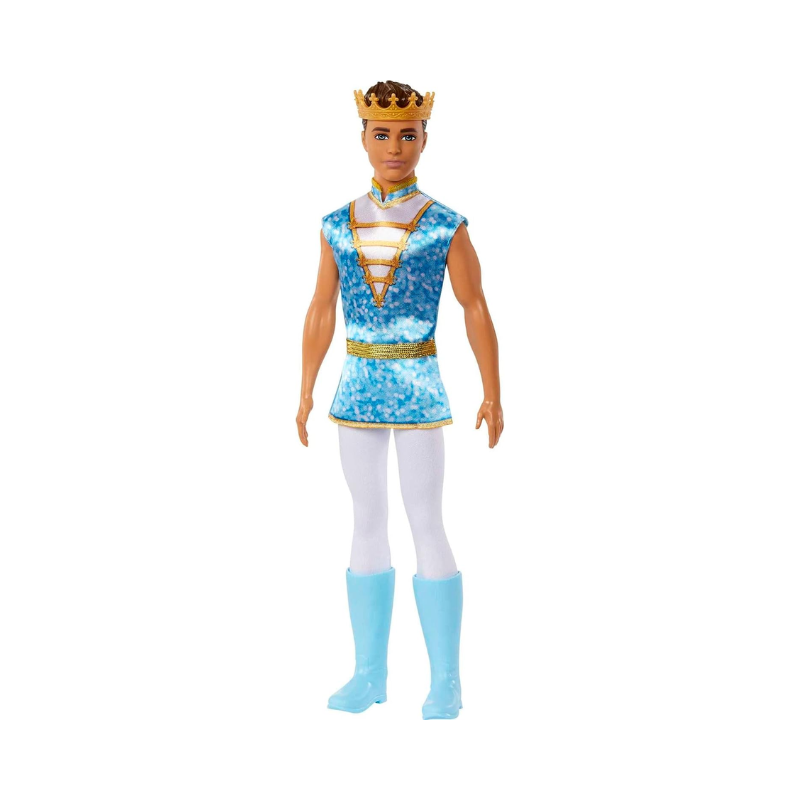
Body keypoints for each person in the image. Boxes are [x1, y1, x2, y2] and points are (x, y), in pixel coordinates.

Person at [296, 80, 503, 720]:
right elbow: (321, 307)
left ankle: (447, 681)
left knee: (426, 518)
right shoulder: (337, 224)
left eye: (407, 134)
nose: (394, 147)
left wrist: (493, 390)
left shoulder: (444, 225)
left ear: (424, 139)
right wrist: (304, 387)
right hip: (358, 385)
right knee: (366, 517)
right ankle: (369, 673)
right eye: (382, 134)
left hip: (418, 385)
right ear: (362, 137)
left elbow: (474, 306)